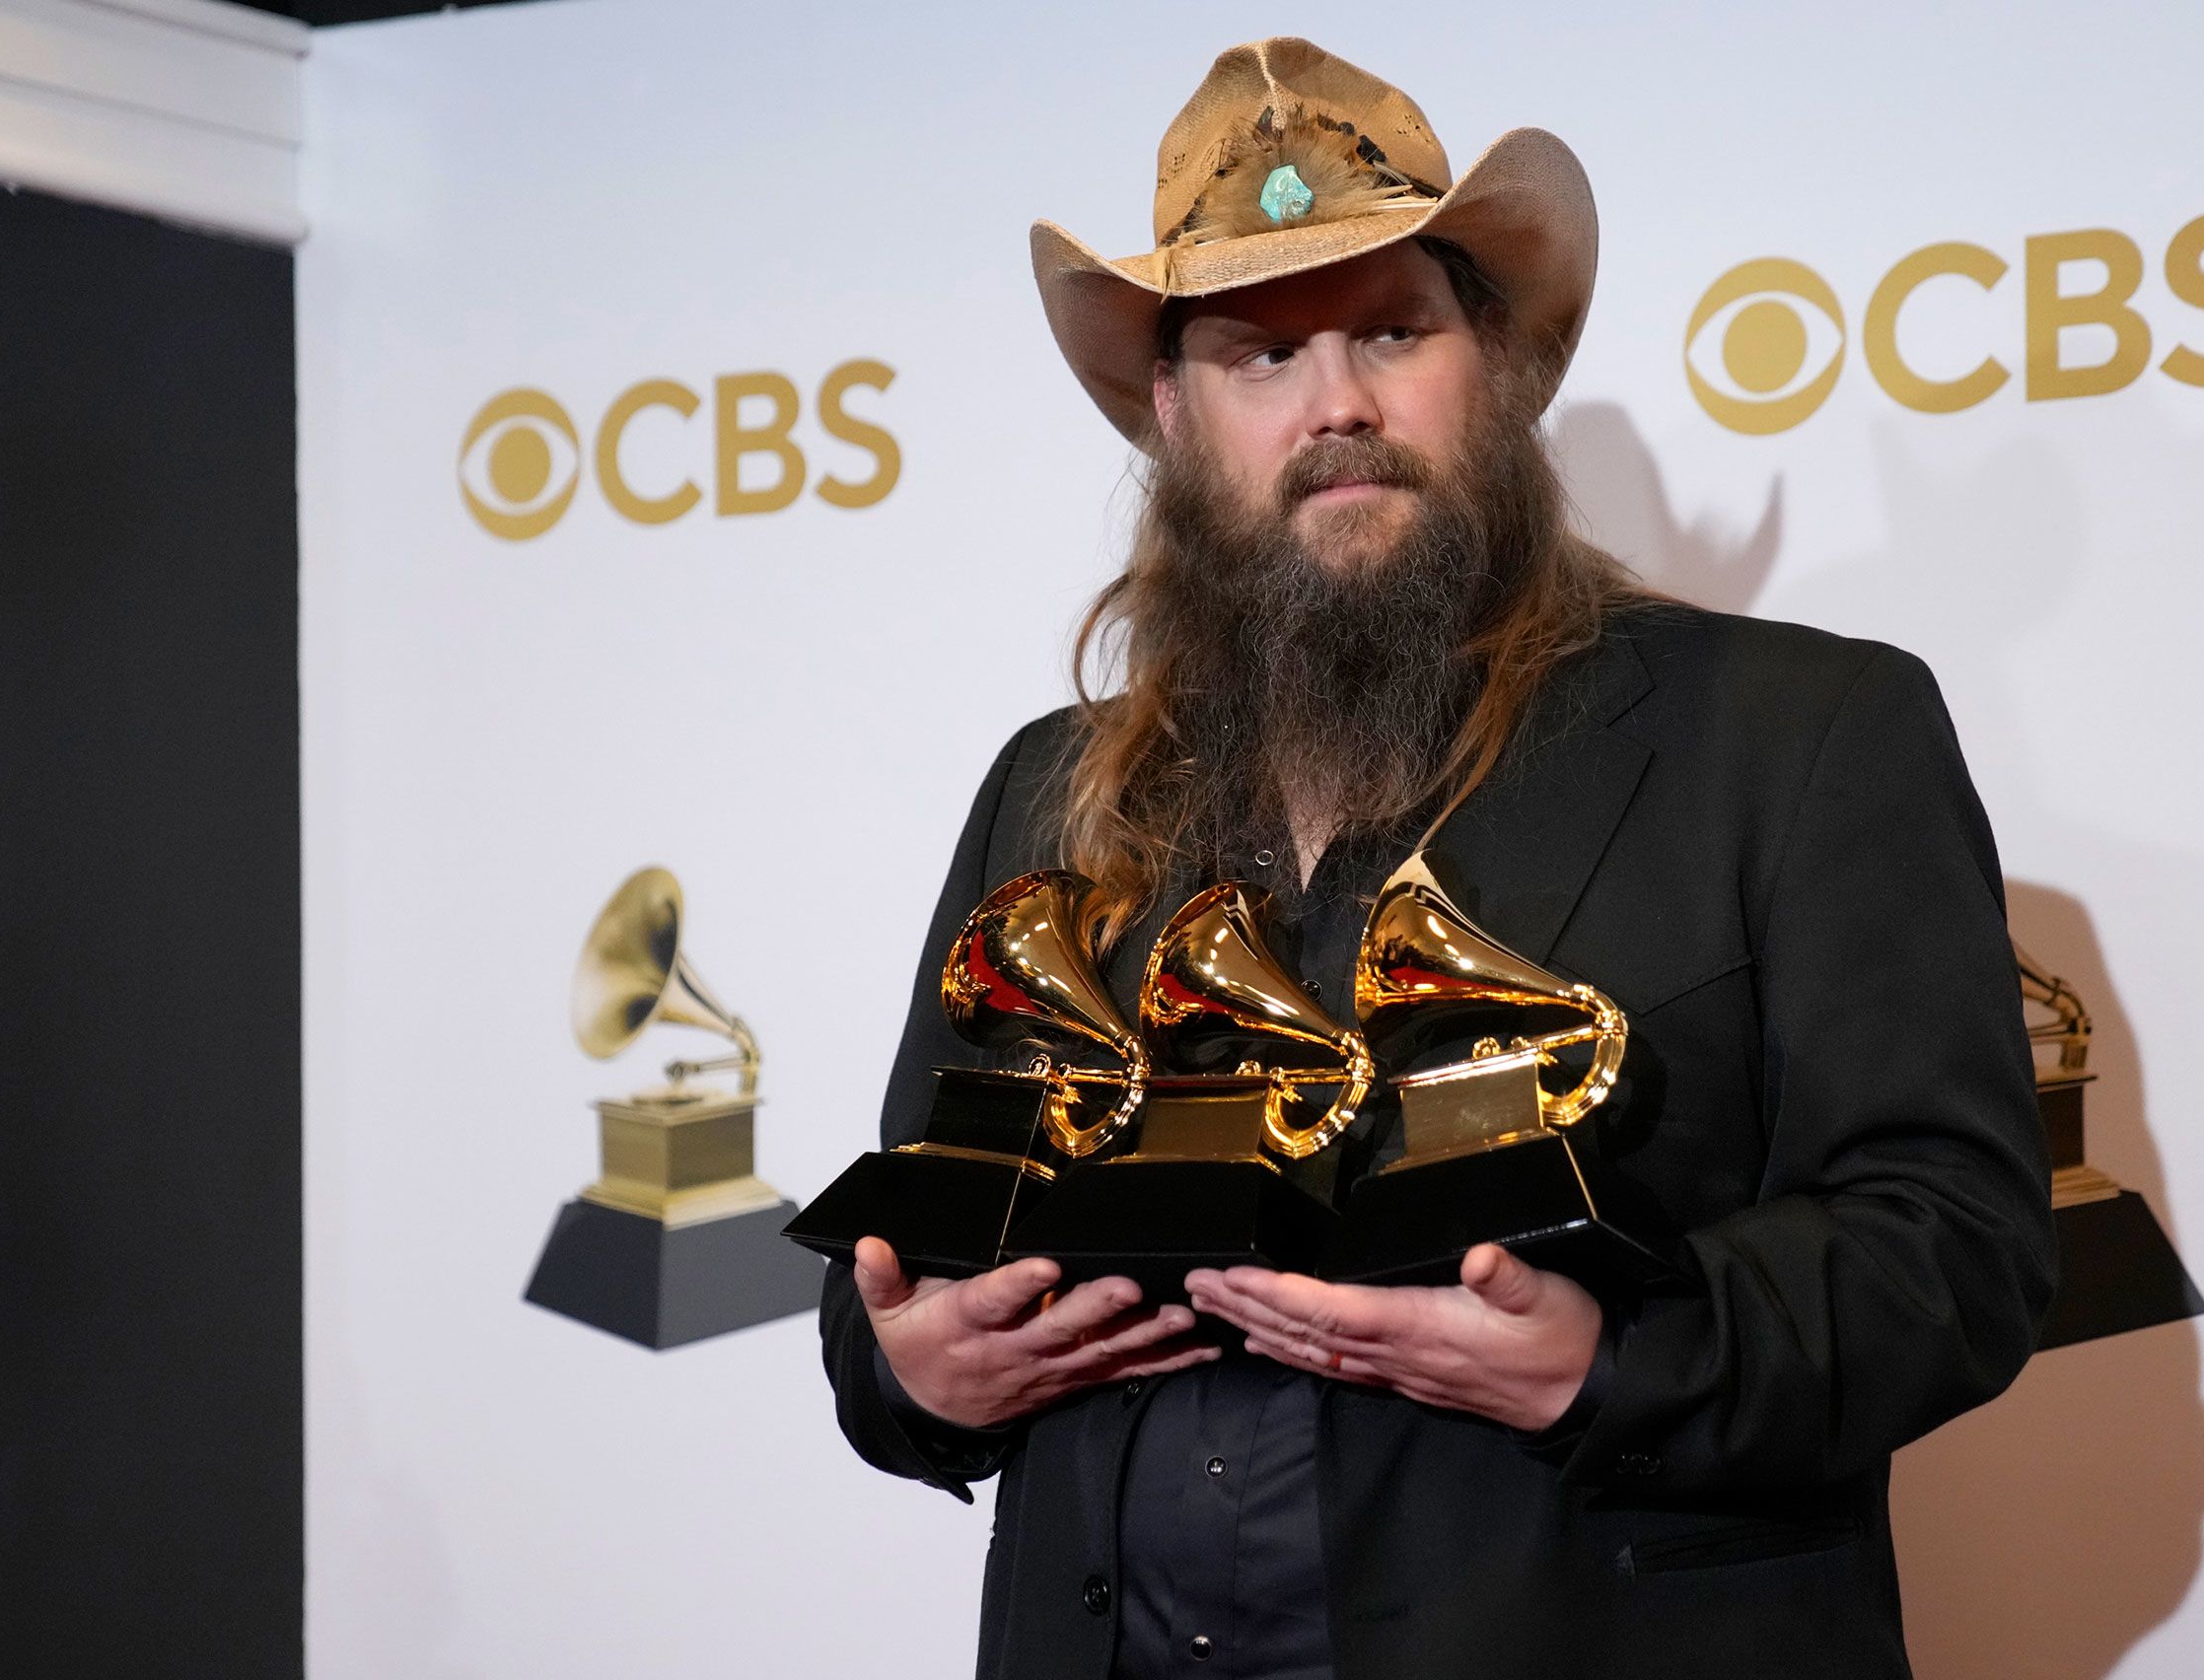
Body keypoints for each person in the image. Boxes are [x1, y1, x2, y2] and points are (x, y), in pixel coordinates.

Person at [818, 36, 2055, 1680]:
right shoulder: (1044, 794)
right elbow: (894, 1266)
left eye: (1391, 332)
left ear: (1502, 368)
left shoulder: (1802, 732)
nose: (1336, 405)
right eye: (1262, 359)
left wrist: (1613, 1359)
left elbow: (1956, 1245)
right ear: (1178, 420)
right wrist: (915, 1374)